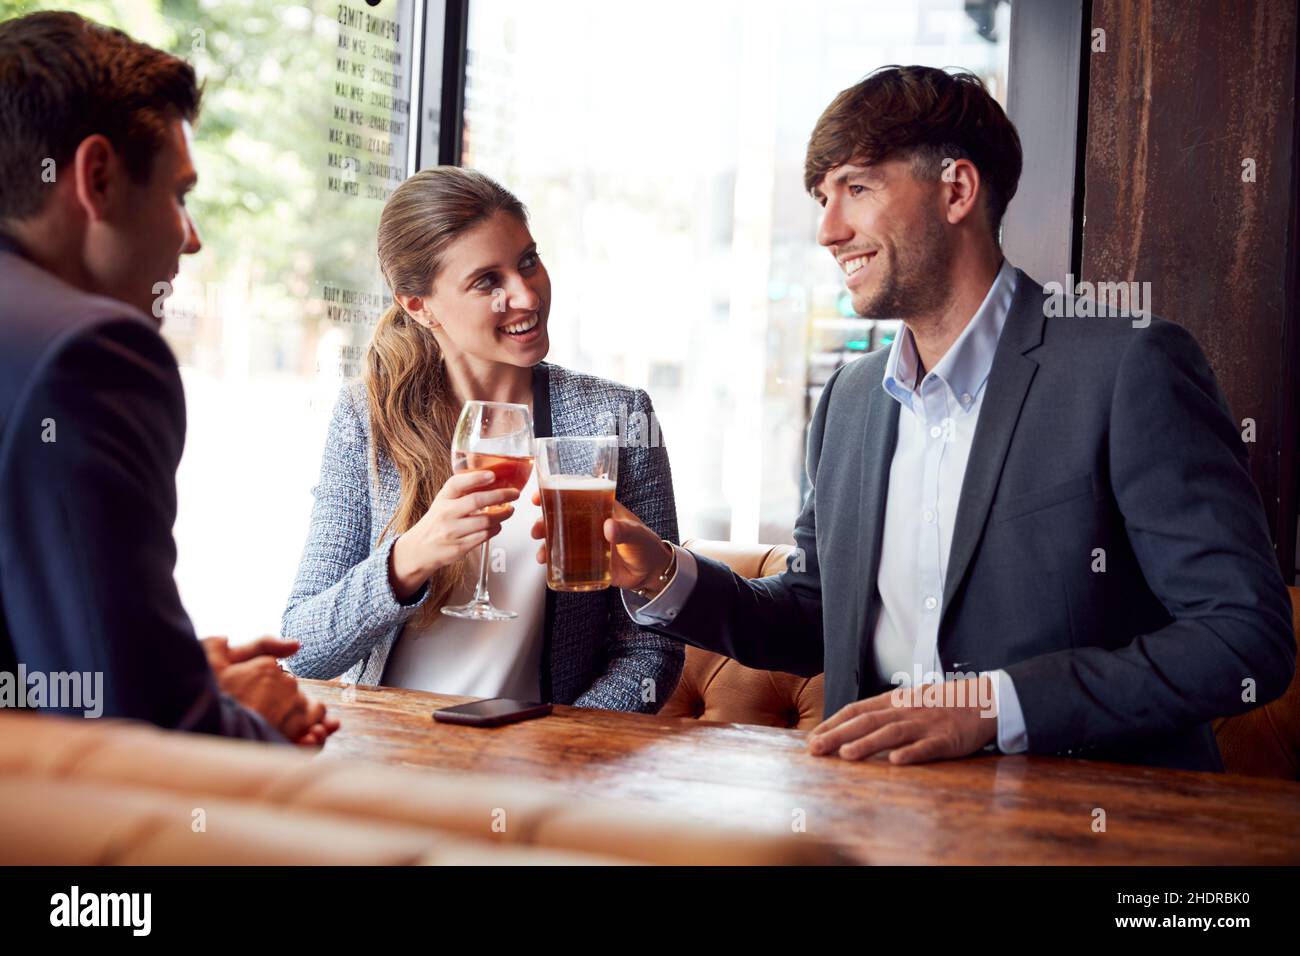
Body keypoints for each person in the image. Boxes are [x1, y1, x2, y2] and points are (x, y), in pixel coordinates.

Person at [531, 65, 1296, 771]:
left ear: (956, 189)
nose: (828, 231)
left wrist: (993, 708)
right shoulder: (851, 398)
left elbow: (1244, 641)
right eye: (820, 199)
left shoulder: (1129, 367)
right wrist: (665, 572)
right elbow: (811, 614)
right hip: (870, 811)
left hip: (1085, 825)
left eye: (855, 188)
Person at [0, 11, 337, 745]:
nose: (191, 236)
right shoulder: (86, 353)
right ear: (97, 178)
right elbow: (138, 732)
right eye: (180, 194)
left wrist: (177, 672)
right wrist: (251, 720)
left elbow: (67, 678)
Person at [283, 167, 683, 711]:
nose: (525, 294)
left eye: (528, 262)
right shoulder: (368, 418)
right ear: (419, 306)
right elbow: (302, 649)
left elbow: (653, 645)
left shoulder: (616, 415)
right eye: (487, 281)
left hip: (537, 767)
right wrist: (412, 556)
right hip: (390, 754)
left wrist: (568, 746)